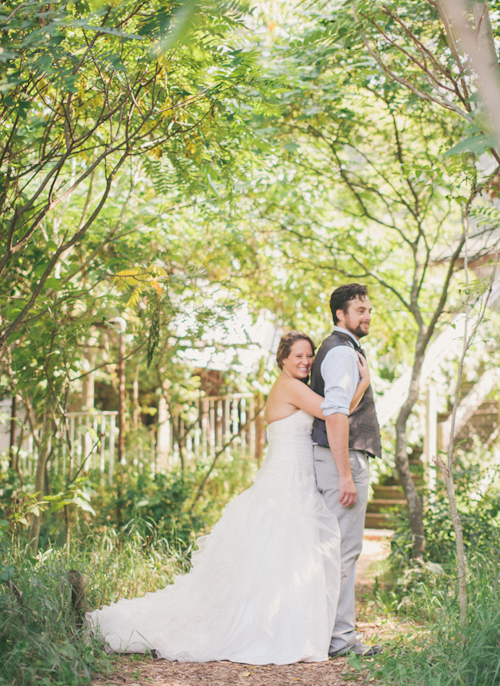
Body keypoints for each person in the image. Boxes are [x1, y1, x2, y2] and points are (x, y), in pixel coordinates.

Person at [87, 331, 370, 665]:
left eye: (309, 356)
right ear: (282, 360)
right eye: (298, 356)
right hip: (285, 481)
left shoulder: (296, 385)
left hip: (298, 479)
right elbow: (334, 411)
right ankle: (268, 630)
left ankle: (280, 625)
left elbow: (333, 410)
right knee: (280, 552)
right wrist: (363, 383)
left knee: (282, 558)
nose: (306, 361)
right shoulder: (290, 386)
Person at [310, 284, 382, 658]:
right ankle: (340, 640)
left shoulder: (341, 348)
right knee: (344, 551)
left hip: (338, 457)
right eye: (359, 309)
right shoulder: (340, 352)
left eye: (368, 309)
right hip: (343, 459)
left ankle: (330, 634)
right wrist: (344, 474)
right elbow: (335, 413)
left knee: (335, 551)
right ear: (341, 314)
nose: (366, 315)